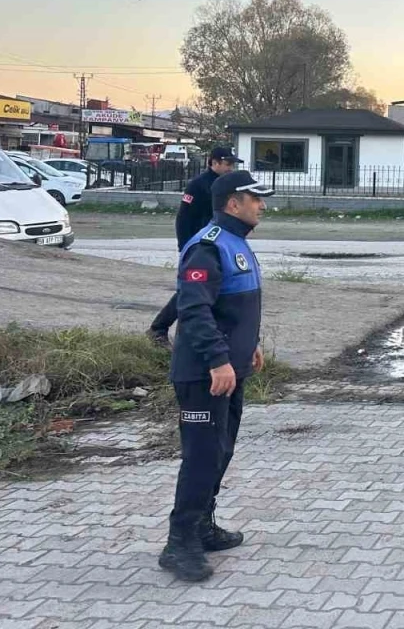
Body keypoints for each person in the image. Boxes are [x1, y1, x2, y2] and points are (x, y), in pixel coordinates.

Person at [158, 170, 274, 583]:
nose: (262, 205)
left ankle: (203, 527)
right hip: (204, 374)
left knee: (220, 453)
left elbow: (234, 306)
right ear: (232, 203)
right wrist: (218, 360)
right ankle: (179, 543)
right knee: (202, 458)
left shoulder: (235, 242)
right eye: (255, 198)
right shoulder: (206, 246)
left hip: (229, 370)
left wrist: (249, 345)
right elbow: (193, 309)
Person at [147, 147, 242, 347]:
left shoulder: (227, 187)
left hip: (217, 245)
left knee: (214, 290)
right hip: (198, 247)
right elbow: (183, 218)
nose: (230, 168)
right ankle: (158, 328)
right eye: (227, 164)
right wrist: (185, 247)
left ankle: (212, 335)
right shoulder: (199, 185)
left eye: (232, 164)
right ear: (214, 162)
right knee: (191, 290)